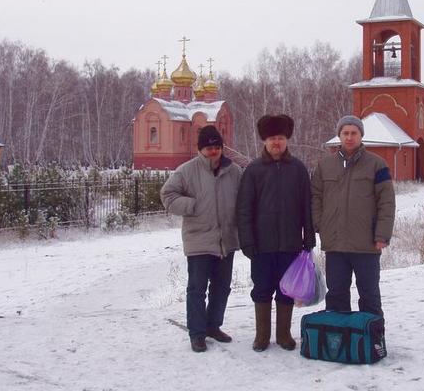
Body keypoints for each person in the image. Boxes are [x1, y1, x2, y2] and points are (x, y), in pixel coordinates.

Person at [236, 114, 316, 352]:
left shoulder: (298, 169)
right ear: (265, 141)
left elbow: (307, 205)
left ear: (287, 140)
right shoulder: (253, 170)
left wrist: (308, 237)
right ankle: (262, 336)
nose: (276, 143)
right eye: (272, 138)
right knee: (261, 289)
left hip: (291, 244)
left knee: (286, 290)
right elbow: (244, 209)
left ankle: (283, 335)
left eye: (280, 138)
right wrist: (247, 241)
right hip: (262, 245)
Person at [160, 125, 242, 353]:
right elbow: (167, 195)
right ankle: (197, 333)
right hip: (199, 240)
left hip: (226, 240)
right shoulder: (186, 171)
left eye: (217, 147)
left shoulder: (234, 171)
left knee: (222, 287)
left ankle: (213, 326)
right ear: (201, 149)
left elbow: (245, 198)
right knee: (197, 289)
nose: (214, 151)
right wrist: (192, 205)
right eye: (209, 148)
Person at [311, 115, 395, 317]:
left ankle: (373, 339)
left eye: (353, 133)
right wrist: (320, 225)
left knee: (369, 295)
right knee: (337, 295)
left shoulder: (377, 165)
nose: (349, 137)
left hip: (366, 243)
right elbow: (315, 197)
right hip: (335, 245)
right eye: (345, 133)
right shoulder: (325, 166)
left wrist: (382, 235)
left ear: (361, 135)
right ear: (339, 135)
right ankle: (338, 341)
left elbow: (387, 202)